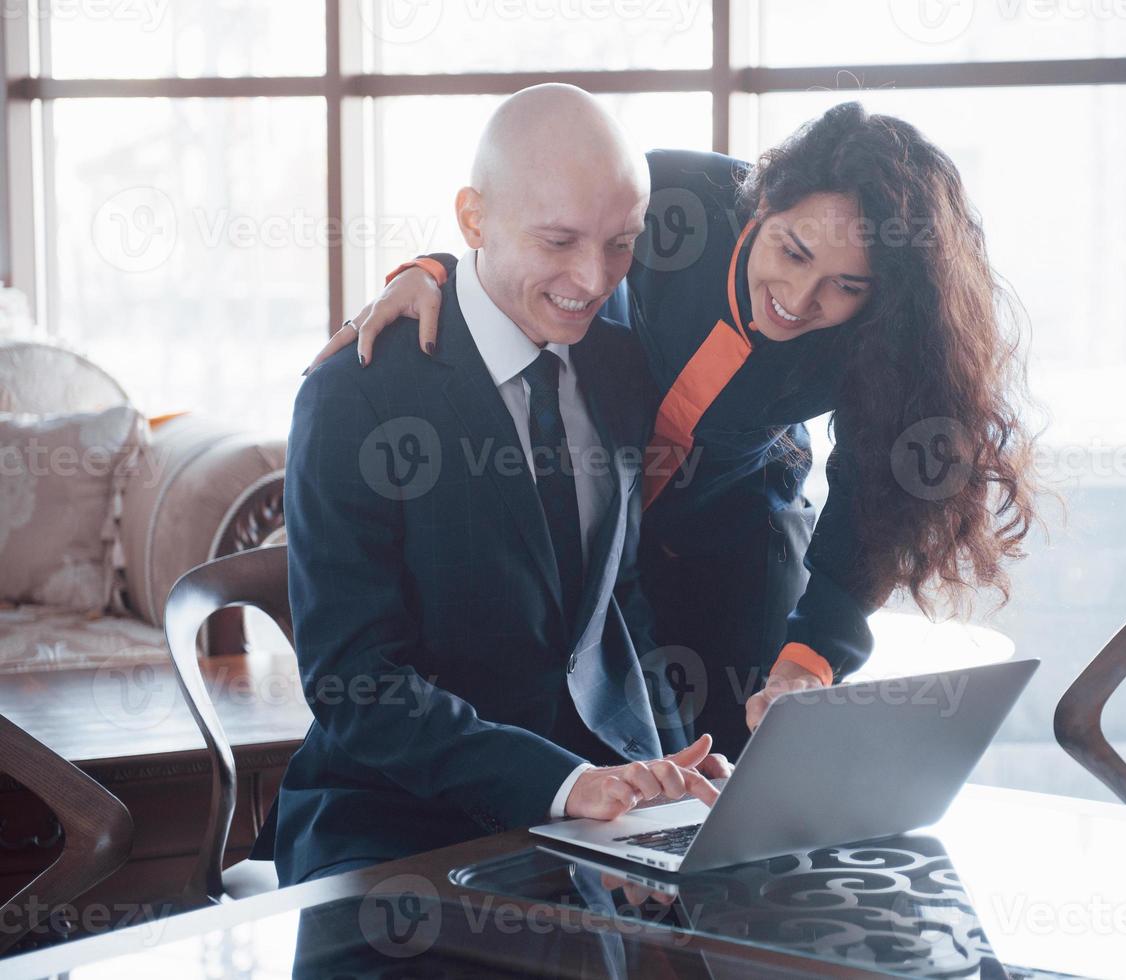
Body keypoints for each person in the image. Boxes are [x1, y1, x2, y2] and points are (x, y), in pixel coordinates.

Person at [308, 101, 1038, 758]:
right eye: (792, 252)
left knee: (725, 782)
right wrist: (430, 270)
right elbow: (535, 250)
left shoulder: (883, 335)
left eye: (845, 286)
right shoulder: (673, 199)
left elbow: (871, 501)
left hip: (733, 547)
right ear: (763, 203)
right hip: (595, 537)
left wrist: (812, 654)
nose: (797, 299)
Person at [259, 84, 729, 886]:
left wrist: (661, 764)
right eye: (558, 242)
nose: (593, 278)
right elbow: (356, 684)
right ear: (473, 219)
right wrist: (559, 783)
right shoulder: (358, 393)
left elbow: (616, 598)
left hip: (603, 801)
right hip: (393, 818)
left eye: (621, 244)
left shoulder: (621, 360)